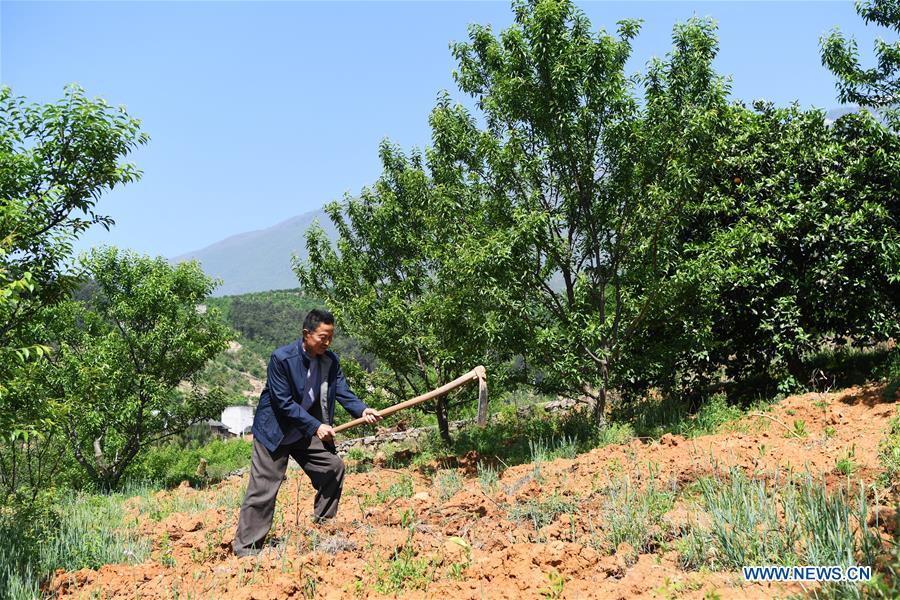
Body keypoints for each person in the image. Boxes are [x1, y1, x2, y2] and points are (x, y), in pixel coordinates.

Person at [232, 308, 380, 557]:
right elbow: (283, 402)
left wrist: (363, 410)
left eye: (331, 336)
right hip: (276, 432)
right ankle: (246, 549)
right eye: (323, 337)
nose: (328, 342)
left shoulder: (330, 361)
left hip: (304, 432)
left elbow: (342, 391)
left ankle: (323, 527)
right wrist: (315, 426)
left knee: (332, 468)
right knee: (264, 489)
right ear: (306, 334)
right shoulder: (282, 359)